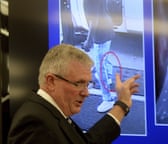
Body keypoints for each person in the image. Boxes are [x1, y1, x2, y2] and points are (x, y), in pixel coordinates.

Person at [7, 44, 140, 144]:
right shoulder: (34, 123)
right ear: (51, 81)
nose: (86, 93)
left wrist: (122, 104)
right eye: (78, 83)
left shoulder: (48, 114)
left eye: (87, 84)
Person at [83, 0, 116, 113]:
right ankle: (109, 79)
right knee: (104, 60)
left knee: (100, 67)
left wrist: (88, 41)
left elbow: (94, 22)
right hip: (107, 28)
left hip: (101, 34)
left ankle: (108, 99)